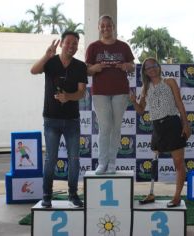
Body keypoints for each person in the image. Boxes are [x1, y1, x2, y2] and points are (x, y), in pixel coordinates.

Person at [30, 31, 88, 208]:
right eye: (69, 42)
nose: (72, 46)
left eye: (75, 43)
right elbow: (33, 71)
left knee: (74, 159)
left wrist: (68, 97)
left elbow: (82, 92)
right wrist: (46, 56)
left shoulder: (80, 66)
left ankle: (73, 194)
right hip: (51, 119)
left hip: (72, 120)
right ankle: (47, 195)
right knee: (51, 159)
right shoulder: (51, 62)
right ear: (62, 43)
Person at [129, 57, 191, 207]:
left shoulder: (169, 82)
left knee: (178, 162)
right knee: (154, 161)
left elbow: (179, 103)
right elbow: (141, 111)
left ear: (159, 67)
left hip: (172, 123)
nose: (152, 69)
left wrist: (186, 123)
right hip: (157, 126)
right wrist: (132, 101)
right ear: (145, 71)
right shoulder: (146, 88)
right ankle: (151, 193)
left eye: (154, 66)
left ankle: (177, 196)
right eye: (148, 67)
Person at [86, 15, 135, 175]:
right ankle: (102, 163)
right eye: (103, 26)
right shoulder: (93, 47)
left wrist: (128, 66)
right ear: (99, 28)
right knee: (105, 127)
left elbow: (133, 66)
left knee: (116, 128)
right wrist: (94, 68)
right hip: (100, 92)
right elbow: (86, 69)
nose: (106, 28)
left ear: (113, 27)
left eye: (108, 26)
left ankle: (112, 162)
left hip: (120, 91)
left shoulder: (123, 46)